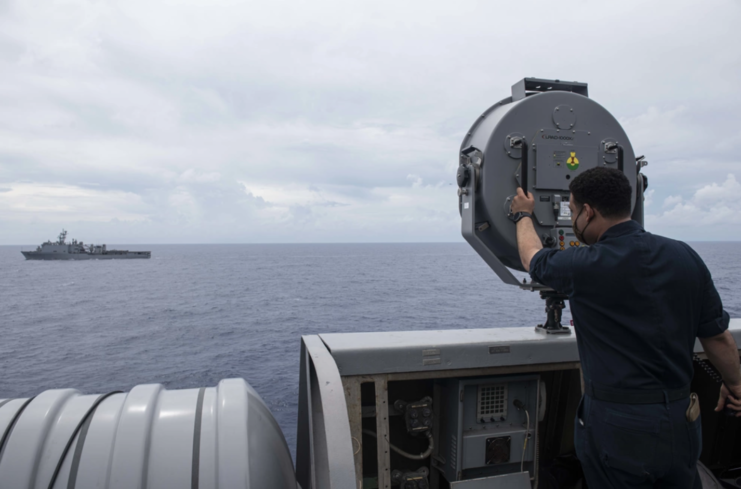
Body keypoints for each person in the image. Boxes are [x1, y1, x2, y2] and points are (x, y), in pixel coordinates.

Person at [509, 167, 741, 488]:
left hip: (618, 426)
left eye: (574, 211)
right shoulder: (685, 255)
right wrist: (736, 384)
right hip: (682, 418)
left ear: (588, 212)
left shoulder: (584, 266)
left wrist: (522, 215)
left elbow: (531, 256)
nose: (574, 221)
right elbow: (717, 337)